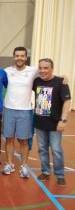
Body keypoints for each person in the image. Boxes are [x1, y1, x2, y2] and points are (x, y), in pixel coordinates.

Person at [33, 58, 71, 187]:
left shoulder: (61, 82)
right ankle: (45, 171)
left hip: (55, 124)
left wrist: (63, 120)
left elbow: (67, 102)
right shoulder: (36, 81)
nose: (42, 70)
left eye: (46, 68)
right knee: (42, 149)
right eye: (41, 68)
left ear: (52, 69)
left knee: (56, 150)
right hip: (39, 123)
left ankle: (60, 175)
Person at [2, 46, 38, 178]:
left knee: (24, 140)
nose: (19, 58)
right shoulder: (6, 71)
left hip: (25, 111)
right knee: (9, 139)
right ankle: (10, 164)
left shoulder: (33, 71)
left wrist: (63, 77)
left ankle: (23, 166)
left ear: (26, 57)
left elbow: (47, 75)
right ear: (13, 57)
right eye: (17, 56)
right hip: (10, 110)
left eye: (22, 56)